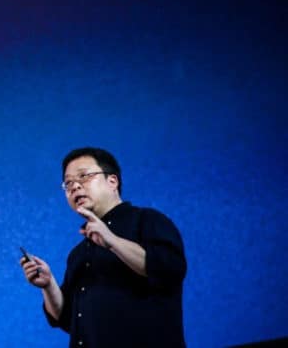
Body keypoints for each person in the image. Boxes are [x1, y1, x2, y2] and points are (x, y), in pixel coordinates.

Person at [20, 147, 186, 347]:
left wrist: (112, 240)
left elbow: (170, 270)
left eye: (84, 176)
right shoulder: (78, 253)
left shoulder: (148, 220)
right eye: (68, 183)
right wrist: (48, 285)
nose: (75, 186)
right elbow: (68, 320)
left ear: (112, 181)